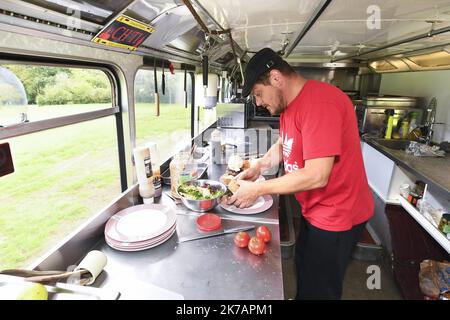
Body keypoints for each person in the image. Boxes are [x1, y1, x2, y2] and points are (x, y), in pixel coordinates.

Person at [226, 48, 374, 300]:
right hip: (315, 208)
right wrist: (259, 167)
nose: (259, 102)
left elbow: (318, 175)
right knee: (305, 269)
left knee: (320, 288)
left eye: (259, 94)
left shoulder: (320, 103)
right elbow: (284, 145)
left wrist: (258, 189)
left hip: (337, 213)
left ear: (275, 78)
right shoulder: (291, 105)